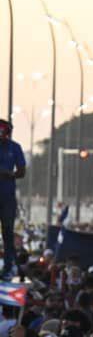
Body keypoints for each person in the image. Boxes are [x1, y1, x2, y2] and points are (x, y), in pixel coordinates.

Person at [0, 119, 26, 279]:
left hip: (7, 197)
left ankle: (8, 266)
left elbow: (22, 171)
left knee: (7, 232)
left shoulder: (15, 148)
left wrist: (8, 174)